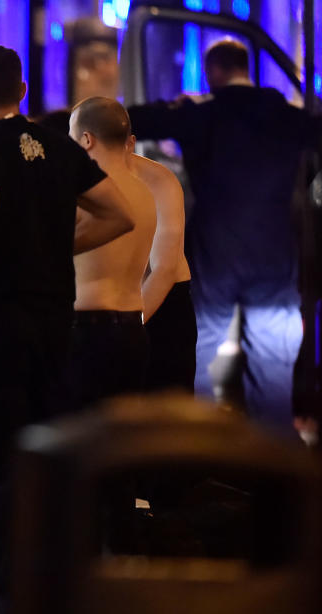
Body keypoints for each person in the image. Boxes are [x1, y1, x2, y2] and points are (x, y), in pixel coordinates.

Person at [0, 46, 134, 614]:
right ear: (22, 91)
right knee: (43, 466)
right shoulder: (60, 147)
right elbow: (117, 215)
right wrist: (50, 248)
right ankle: (51, 597)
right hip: (55, 332)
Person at [128, 38, 322, 429]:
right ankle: (274, 467)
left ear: (213, 71)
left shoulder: (203, 113)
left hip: (214, 252)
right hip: (274, 253)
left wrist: (178, 105)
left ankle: (198, 451)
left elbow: (133, 118)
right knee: (272, 366)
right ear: (245, 69)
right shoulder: (283, 114)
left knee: (196, 355)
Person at [65, 97, 157, 409]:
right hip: (133, 328)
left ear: (86, 140)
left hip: (84, 330)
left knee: (78, 441)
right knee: (120, 440)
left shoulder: (83, 195)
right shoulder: (145, 194)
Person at [126, 138, 196, 392]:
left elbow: (164, 270)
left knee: (167, 417)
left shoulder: (157, 180)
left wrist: (127, 327)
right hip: (120, 316)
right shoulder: (78, 178)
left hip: (161, 312)